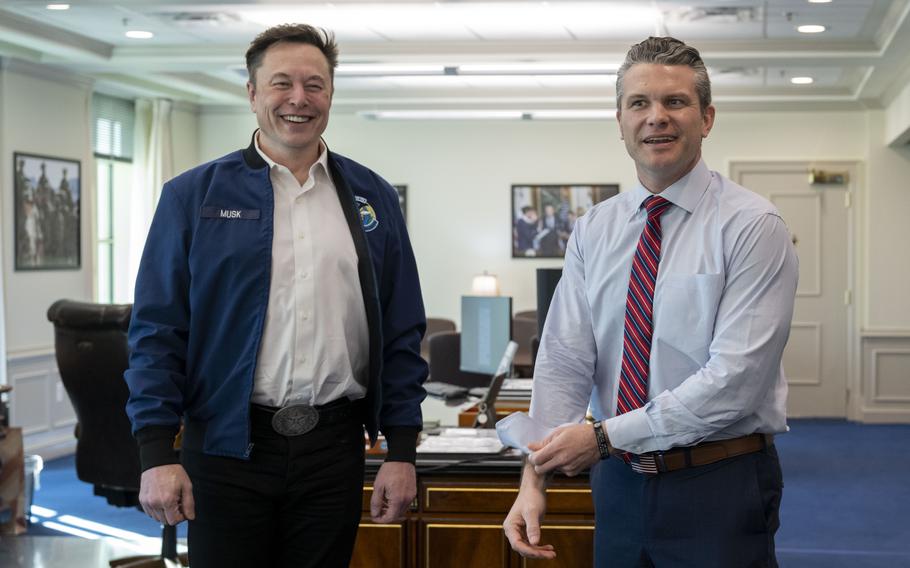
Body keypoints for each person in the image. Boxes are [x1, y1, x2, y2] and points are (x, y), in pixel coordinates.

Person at [125, 23, 428, 568]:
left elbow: (402, 327)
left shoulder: (372, 196)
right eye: (281, 83)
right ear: (252, 93)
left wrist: (400, 451)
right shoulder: (192, 196)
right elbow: (156, 331)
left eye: (314, 85)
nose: (298, 99)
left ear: (331, 95)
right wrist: (154, 453)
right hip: (225, 450)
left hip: (333, 450)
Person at [503, 36, 798, 568]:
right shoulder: (595, 228)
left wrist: (605, 435)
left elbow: (735, 381)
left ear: (706, 118)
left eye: (675, 102)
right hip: (618, 485)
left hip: (718, 482)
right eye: (639, 103)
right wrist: (534, 476)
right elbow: (566, 358)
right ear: (620, 121)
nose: (656, 117)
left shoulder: (753, 225)